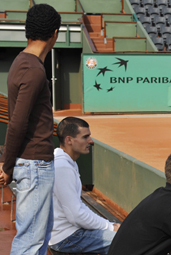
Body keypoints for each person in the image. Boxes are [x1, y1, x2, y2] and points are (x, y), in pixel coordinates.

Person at [0, 4, 60, 254]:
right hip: (35, 164)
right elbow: (18, 123)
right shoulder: (34, 70)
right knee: (31, 241)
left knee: (38, 237)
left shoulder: (22, 61)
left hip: (33, 163)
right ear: (55, 34)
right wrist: (6, 165)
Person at [49, 117, 120, 254]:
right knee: (131, 240)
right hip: (67, 238)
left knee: (130, 235)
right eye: (85, 137)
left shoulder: (68, 161)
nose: (91, 141)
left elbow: (78, 207)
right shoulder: (62, 166)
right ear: (69, 140)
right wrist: (109, 227)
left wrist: (109, 225)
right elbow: (76, 215)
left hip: (71, 232)